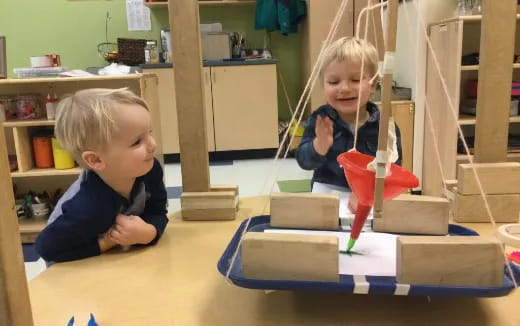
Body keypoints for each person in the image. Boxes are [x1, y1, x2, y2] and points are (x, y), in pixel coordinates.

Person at [35, 88, 168, 263]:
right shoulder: (86, 206)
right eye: (137, 142)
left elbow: (158, 211)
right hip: (72, 267)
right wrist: (106, 243)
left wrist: (149, 232)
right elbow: (47, 248)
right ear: (96, 159)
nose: (152, 145)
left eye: (149, 133)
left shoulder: (150, 169)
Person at [296, 36, 402, 191]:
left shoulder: (385, 127)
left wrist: (368, 193)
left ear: (372, 85)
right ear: (323, 86)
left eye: (355, 80)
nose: (344, 88)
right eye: (333, 82)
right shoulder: (321, 120)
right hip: (328, 196)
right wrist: (319, 146)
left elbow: (395, 169)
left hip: (370, 198)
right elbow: (303, 161)